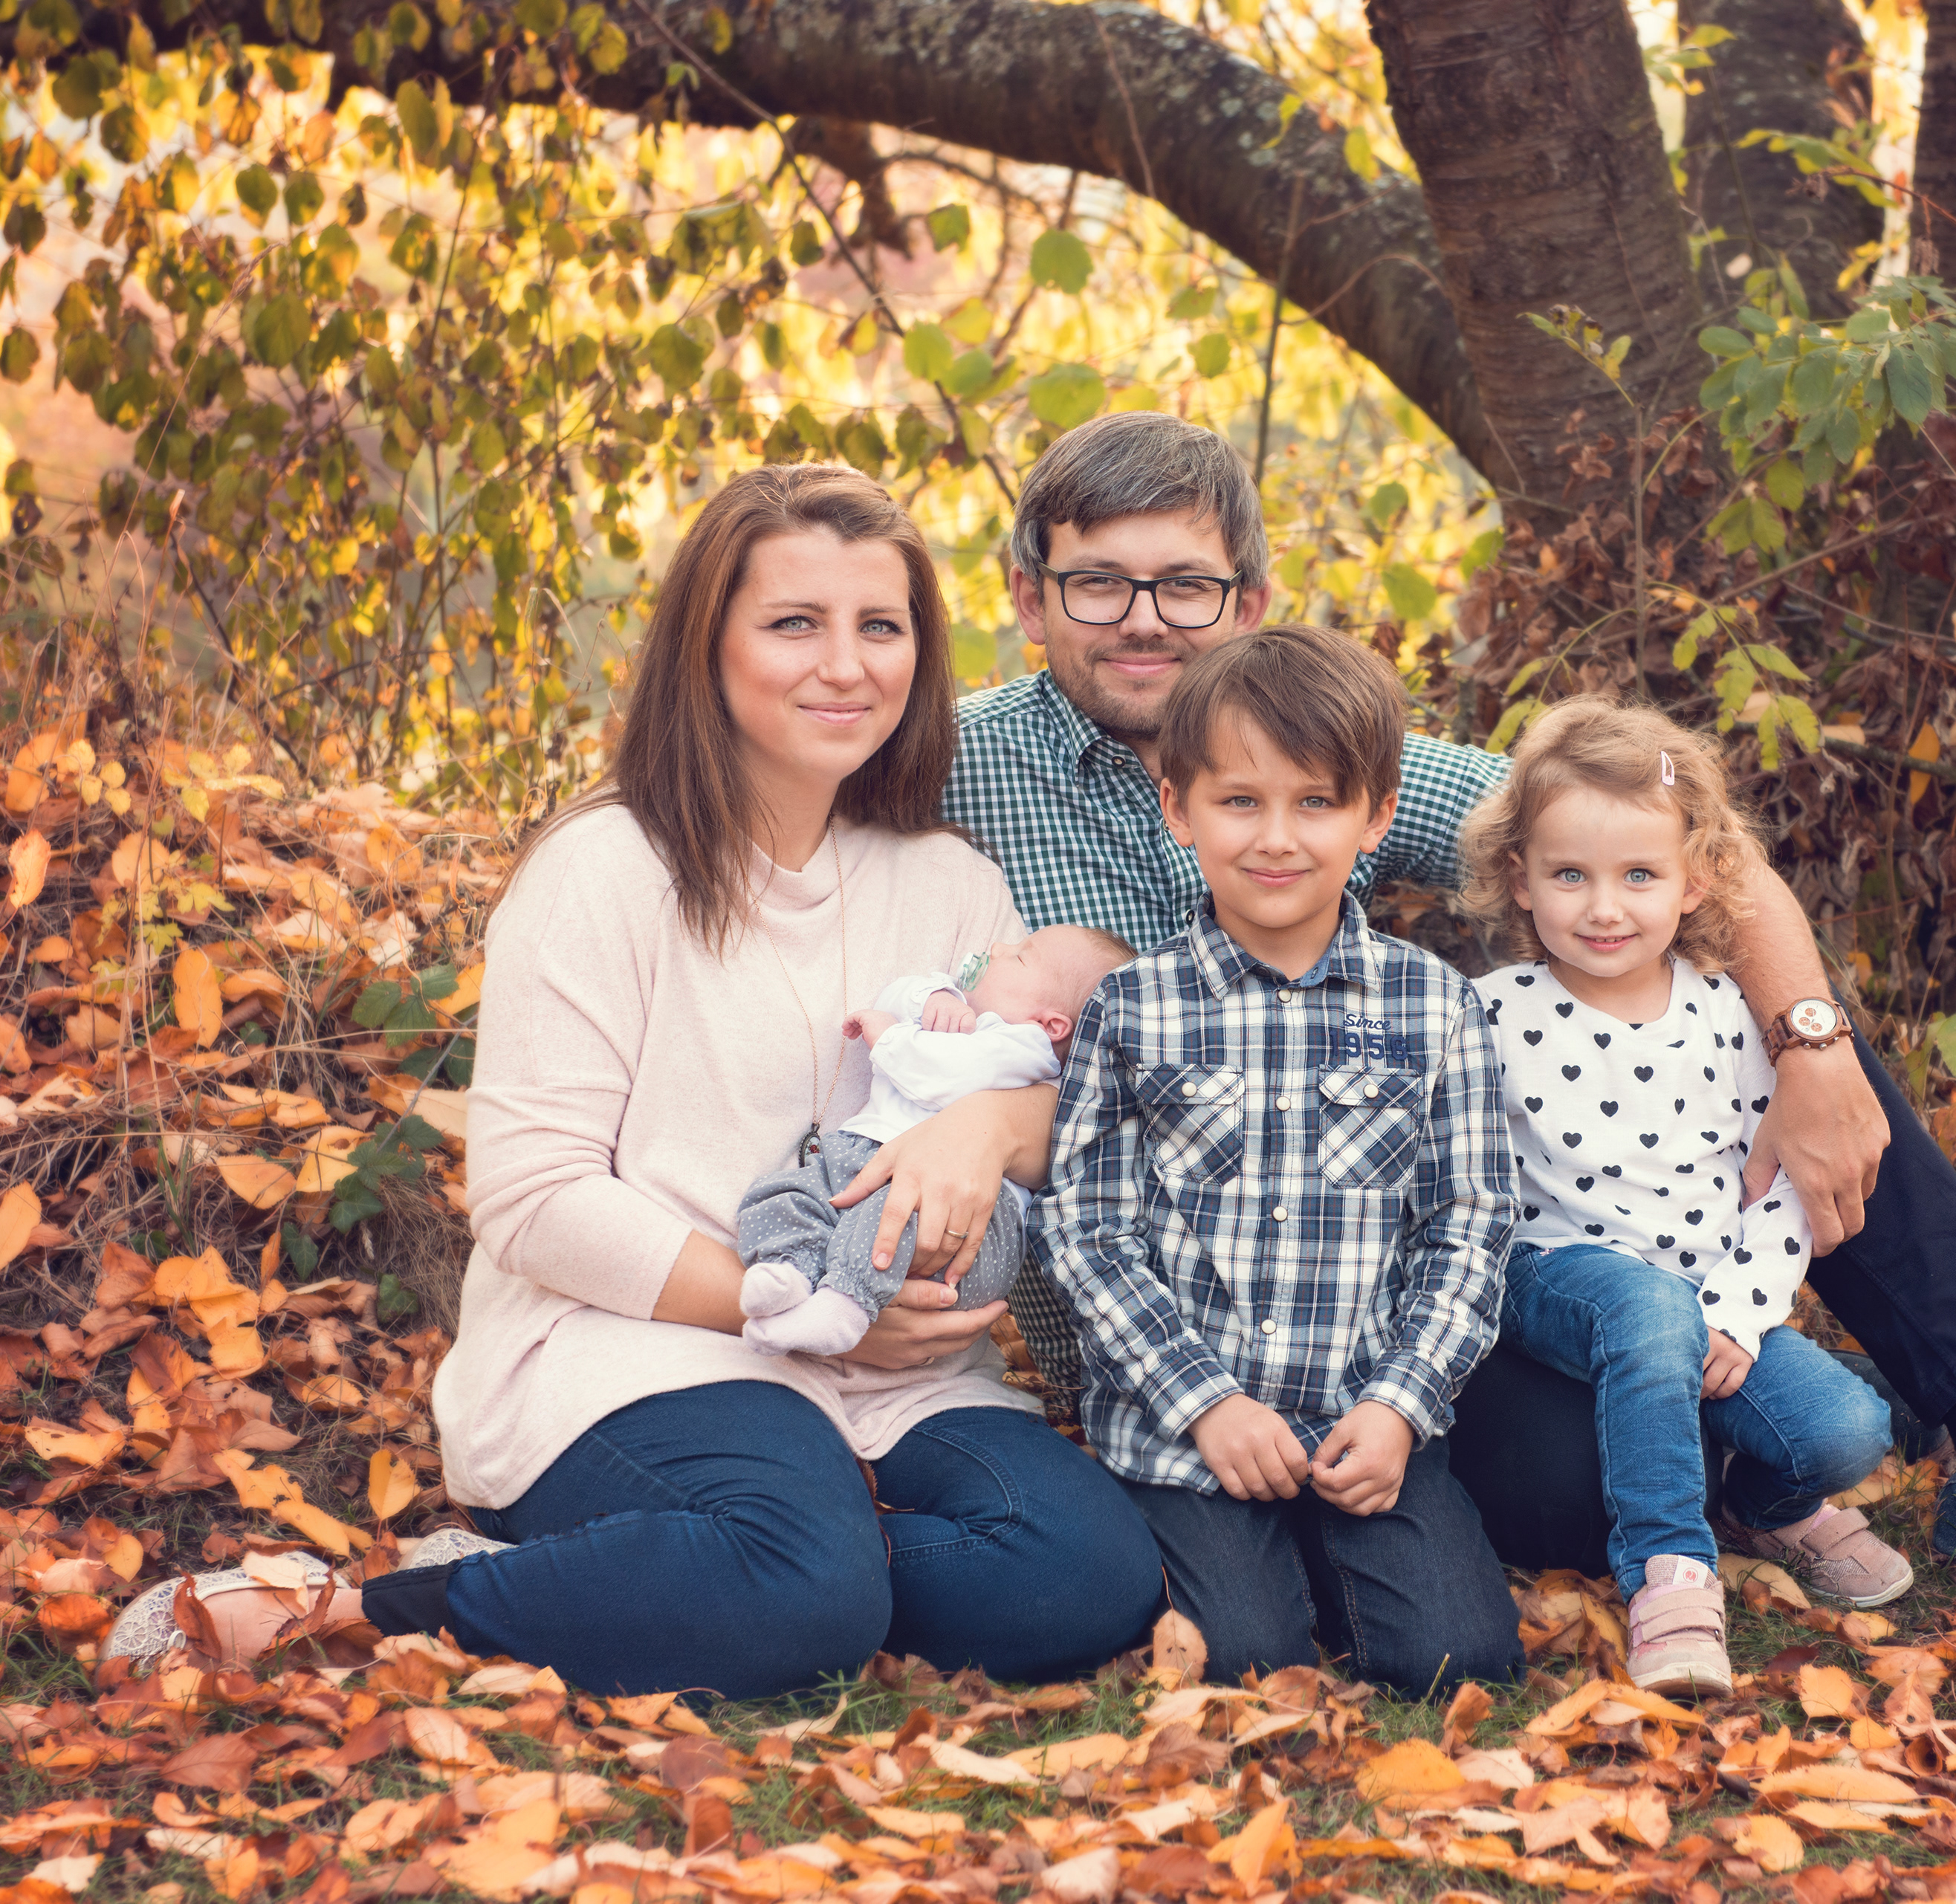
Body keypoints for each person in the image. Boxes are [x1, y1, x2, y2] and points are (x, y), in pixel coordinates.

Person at [948, 410, 1956, 1648]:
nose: (1144, 620)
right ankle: (1748, 1457)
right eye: (1098, 583)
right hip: (1192, 1321)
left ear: (1249, 598)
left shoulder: (1326, 748)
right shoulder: (950, 767)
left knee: (1790, 1052)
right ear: (1028, 597)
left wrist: (1816, 1040)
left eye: (1184, 584)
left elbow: (1661, 840)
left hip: (1408, 1294)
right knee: (1568, 1489)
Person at [107, 464, 1164, 1695]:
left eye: (882, 627)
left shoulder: (951, 883)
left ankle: (689, 1565)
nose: (846, 664)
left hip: (892, 1368)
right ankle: (376, 1608)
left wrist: (993, 1127)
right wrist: (793, 1305)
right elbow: (538, 1199)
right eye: (793, 624)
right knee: (808, 1584)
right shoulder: (604, 868)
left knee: (1083, 1579)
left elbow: (1034, 1099)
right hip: (639, 1340)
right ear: (706, 645)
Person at [1038, 624, 1522, 1693]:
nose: (1278, 837)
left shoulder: (1433, 1006)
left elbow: (1472, 1222)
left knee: (1456, 1660)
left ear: (1376, 817)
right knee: (1251, 1659)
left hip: (1367, 1414)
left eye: (1316, 802)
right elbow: (1087, 1229)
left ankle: (1348, 1553)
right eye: (1240, 800)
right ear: (1180, 809)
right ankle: (1252, 1567)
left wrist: (1400, 1402)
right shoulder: (1134, 1008)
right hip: (1191, 1425)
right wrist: (1205, 1401)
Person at [1460, 698, 1909, 1697]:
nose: (1604, 906)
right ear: (1519, 880)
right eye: (1569, 874)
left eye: (1639, 876)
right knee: (1642, 1307)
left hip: (1707, 1289)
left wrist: (1744, 1316)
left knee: (1848, 1428)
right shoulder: (1489, 1016)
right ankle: (1670, 1572)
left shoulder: (1726, 1012)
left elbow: (1782, 1185)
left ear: (1695, 878)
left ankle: (1760, 1502)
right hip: (1557, 1274)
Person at [739, 924, 1134, 1357]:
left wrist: (890, 1037)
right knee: (786, 1193)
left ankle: (845, 1305)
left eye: (1020, 956)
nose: (998, 947)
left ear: (1051, 1024)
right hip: (864, 1155)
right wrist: (932, 999)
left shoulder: (1025, 1049)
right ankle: (790, 1273)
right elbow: (894, 996)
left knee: (890, 1218)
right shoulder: (967, 1013)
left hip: (960, 1210)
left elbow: (939, 1075)